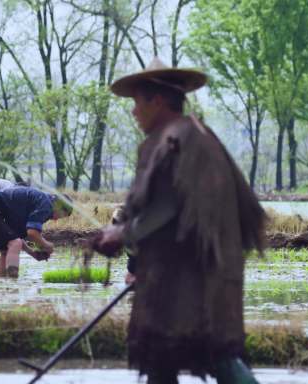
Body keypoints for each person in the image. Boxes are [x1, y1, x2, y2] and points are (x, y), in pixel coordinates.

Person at [91, 58, 267, 384]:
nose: (133, 112)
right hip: (200, 269)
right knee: (190, 356)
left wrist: (123, 232)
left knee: (203, 355)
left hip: (186, 276)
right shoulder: (200, 134)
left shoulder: (171, 139)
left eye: (137, 102)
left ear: (157, 101)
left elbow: (166, 208)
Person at [0, 186, 73, 278]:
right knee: (14, 243)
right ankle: (13, 282)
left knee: (6, 249)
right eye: (60, 216)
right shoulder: (46, 204)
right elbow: (32, 233)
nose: (55, 220)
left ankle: (3, 285)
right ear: (59, 206)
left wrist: (32, 253)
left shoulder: (35, 204)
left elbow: (17, 237)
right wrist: (47, 245)